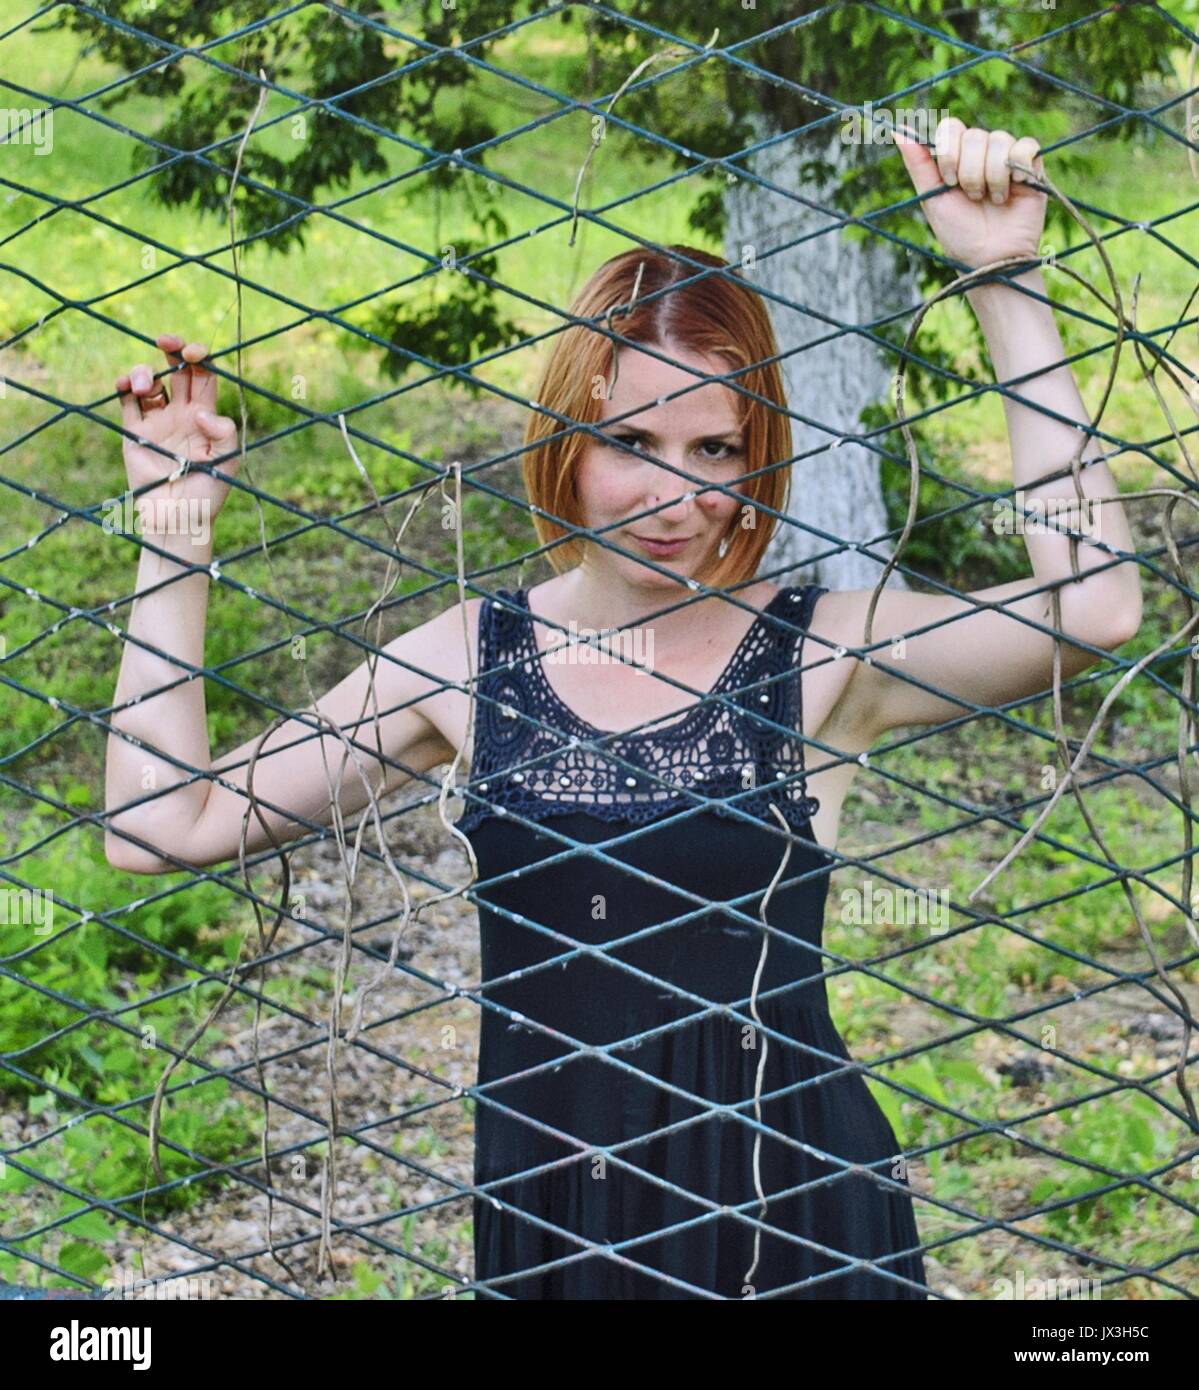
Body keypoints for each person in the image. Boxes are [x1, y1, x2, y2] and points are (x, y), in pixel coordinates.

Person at [105, 118, 1141, 1299]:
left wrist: (1001, 278)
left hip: (791, 1220)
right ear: (563, 439)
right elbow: (160, 827)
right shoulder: (466, 661)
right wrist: (174, 539)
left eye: (715, 448)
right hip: (558, 1227)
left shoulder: (823, 652)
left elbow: (1092, 607)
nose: (675, 494)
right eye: (629, 441)